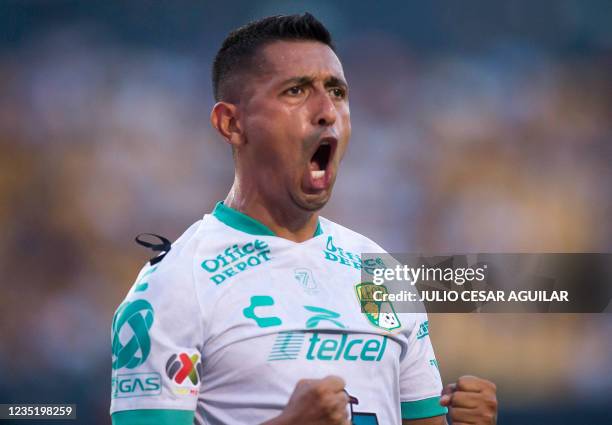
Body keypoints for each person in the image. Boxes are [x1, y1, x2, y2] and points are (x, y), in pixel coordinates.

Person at [110, 13, 498, 425]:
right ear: (232, 123)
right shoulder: (175, 285)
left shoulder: (378, 270)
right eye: (296, 91)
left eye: (336, 91)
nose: (327, 111)